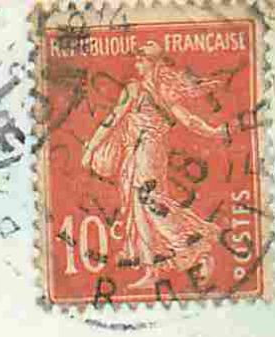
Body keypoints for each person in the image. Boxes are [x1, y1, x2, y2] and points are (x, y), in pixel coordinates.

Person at [80, 40, 232, 289]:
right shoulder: (141, 89)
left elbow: (188, 120)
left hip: (148, 152)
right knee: (138, 208)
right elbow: (114, 119)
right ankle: (153, 268)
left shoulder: (153, 90)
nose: (137, 62)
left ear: (153, 63)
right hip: (135, 152)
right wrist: (92, 148)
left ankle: (195, 249)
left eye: (142, 58)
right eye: (137, 57)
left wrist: (214, 132)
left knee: (150, 204)